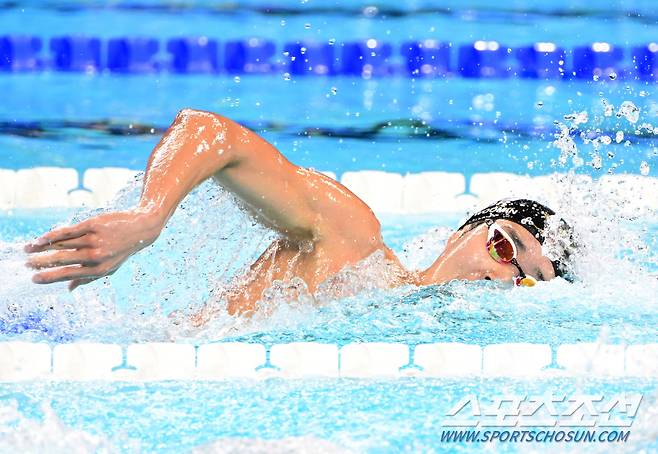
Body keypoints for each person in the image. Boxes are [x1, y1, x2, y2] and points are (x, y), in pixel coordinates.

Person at [24, 108, 571, 323]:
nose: (502, 274)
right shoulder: (355, 242)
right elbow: (211, 132)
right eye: (504, 247)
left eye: (527, 281)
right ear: (464, 233)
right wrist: (149, 217)